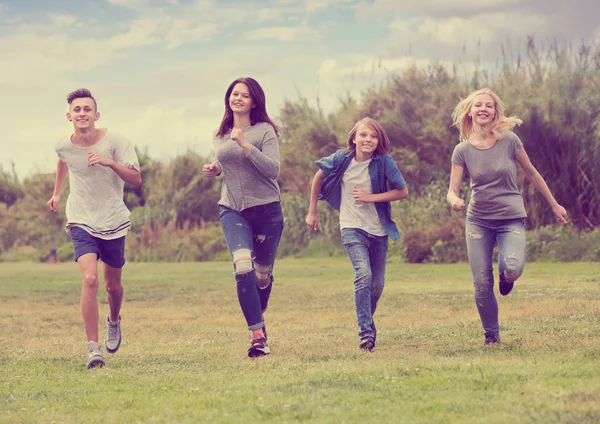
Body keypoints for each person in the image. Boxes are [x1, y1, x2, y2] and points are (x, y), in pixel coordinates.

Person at [447, 87, 568, 345]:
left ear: (494, 112)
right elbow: (451, 191)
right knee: (481, 282)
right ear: (470, 111)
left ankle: (507, 277)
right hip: (478, 220)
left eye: (488, 106)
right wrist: (455, 200)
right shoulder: (462, 151)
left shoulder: (510, 141)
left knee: (512, 268)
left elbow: (532, 173)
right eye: (478, 105)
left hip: (511, 217)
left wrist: (555, 204)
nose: (483, 109)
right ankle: (491, 335)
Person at [46, 88, 141, 368]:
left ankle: (114, 320)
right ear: (69, 116)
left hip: (112, 219)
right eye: (77, 110)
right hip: (81, 218)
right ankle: (92, 348)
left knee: (113, 287)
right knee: (90, 279)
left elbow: (136, 178)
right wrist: (57, 193)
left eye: (87, 109)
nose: (82, 113)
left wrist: (109, 162)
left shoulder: (116, 141)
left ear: (96, 115)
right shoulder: (63, 143)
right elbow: (64, 160)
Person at [305, 117, 409, 351]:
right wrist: (312, 210)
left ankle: (366, 321)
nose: (368, 139)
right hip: (351, 226)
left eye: (373, 136)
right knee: (363, 274)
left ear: (378, 141)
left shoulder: (384, 162)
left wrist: (371, 197)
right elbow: (319, 176)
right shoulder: (342, 159)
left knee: (377, 285)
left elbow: (402, 191)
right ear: (354, 138)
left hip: (379, 230)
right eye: (363, 135)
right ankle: (366, 334)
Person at [202, 77, 284, 358]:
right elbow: (230, 165)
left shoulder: (265, 132)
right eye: (234, 94)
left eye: (244, 95)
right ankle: (258, 336)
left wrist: (247, 145)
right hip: (233, 208)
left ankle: (259, 302)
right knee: (242, 267)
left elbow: (272, 170)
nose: (238, 98)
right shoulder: (220, 133)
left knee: (261, 276)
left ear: (254, 101)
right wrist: (216, 169)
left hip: (267, 209)